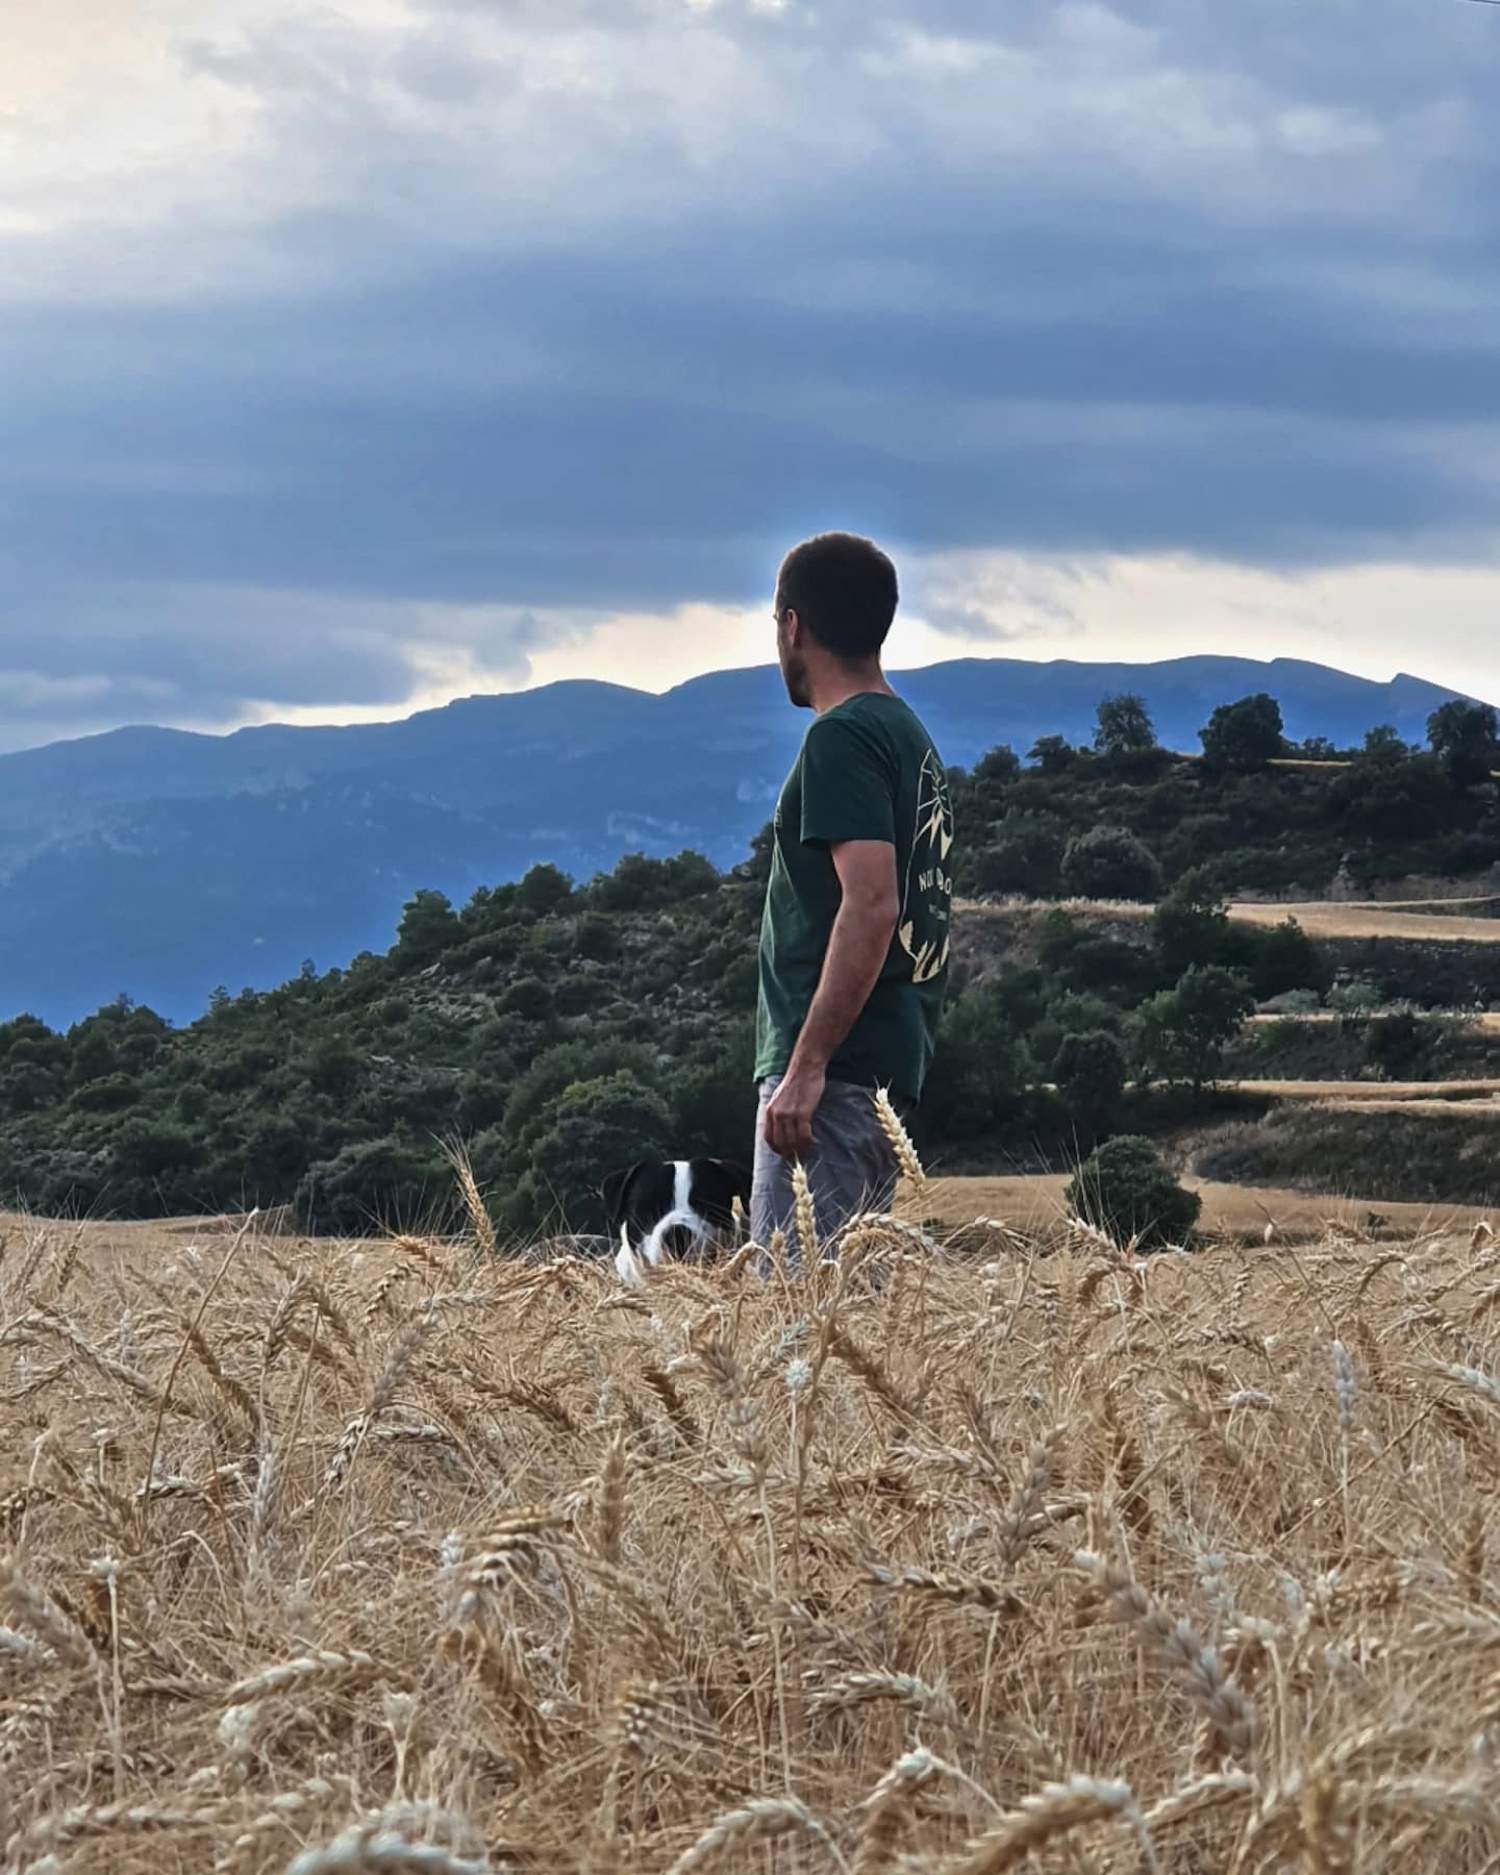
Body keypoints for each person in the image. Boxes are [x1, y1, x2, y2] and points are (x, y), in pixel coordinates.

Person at [751, 531, 955, 1261]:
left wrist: (805, 1067)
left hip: (831, 1082)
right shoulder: (909, 736)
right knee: (844, 1318)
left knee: (799, 1318)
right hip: (878, 1068)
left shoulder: (841, 738)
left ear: (793, 625)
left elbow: (871, 903)